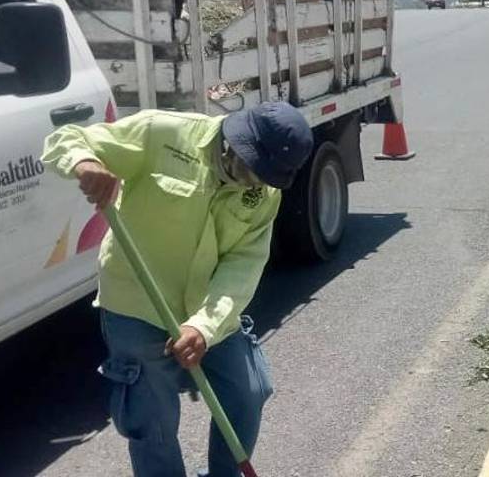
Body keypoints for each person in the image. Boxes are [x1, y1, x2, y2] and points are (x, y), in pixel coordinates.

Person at [41, 102, 314, 477]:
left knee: (249, 391)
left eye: (263, 178)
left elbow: (243, 265)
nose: (252, 183)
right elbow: (65, 138)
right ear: (234, 142)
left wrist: (203, 327)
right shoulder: (162, 133)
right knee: (152, 423)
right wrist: (85, 164)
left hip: (208, 309)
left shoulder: (264, 192)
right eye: (249, 170)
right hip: (138, 304)